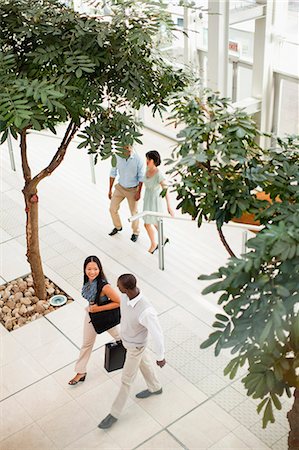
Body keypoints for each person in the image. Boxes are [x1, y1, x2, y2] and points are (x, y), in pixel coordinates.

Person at [98, 273, 166, 429]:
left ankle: (114, 414)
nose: (117, 286)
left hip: (136, 347)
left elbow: (158, 334)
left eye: (119, 285)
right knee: (145, 365)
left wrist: (161, 356)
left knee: (126, 380)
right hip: (129, 342)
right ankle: (156, 388)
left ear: (126, 288)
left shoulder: (146, 311)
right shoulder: (125, 297)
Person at [68, 256, 120, 385]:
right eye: (89, 269)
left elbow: (119, 302)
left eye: (95, 269)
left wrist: (97, 309)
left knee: (122, 338)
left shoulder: (104, 286)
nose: (92, 272)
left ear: (100, 269)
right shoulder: (88, 281)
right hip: (92, 316)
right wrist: (91, 309)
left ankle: (140, 357)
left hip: (104, 318)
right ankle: (81, 372)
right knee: (86, 344)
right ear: (85, 269)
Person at [108, 145, 145, 242]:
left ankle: (135, 232)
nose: (127, 150)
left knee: (134, 213)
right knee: (112, 208)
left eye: (129, 148)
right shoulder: (117, 157)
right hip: (120, 187)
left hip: (133, 189)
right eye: (125, 148)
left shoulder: (138, 160)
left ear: (132, 148)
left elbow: (141, 178)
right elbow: (113, 173)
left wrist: (139, 192)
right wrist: (110, 189)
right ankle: (118, 226)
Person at [143, 150, 174, 253]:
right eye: (147, 158)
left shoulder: (158, 174)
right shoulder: (147, 169)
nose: (147, 161)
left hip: (155, 200)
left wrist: (169, 206)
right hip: (147, 198)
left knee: (148, 223)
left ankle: (153, 244)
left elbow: (165, 189)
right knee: (154, 222)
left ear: (154, 160)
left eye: (149, 159)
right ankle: (164, 238)